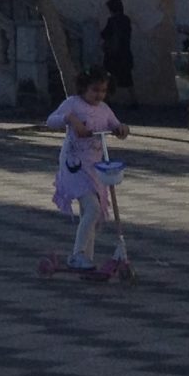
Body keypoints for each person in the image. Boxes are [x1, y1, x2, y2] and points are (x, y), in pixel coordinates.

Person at [42, 71, 128, 273]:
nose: (99, 95)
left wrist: (122, 129)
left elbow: (115, 125)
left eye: (104, 91)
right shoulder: (73, 103)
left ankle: (86, 259)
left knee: (90, 213)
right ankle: (77, 255)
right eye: (95, 90)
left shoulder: (104, 109)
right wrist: (69, 119)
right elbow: (50, 121)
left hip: (95, 168)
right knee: (92, 209)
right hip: (74, 166)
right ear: (83, 88)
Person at [99, 0, 135, 107]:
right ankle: (134, 100)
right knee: (128, 79)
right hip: (125, 54)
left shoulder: (112, 21)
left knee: (109, 77)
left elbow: (104, 34)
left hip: (113, 55)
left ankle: (107, 101)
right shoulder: (126, 20)